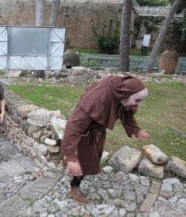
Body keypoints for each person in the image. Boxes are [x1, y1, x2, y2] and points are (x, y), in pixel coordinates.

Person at [60, 75, 151, 204]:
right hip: (84, 133)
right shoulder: (96, 100)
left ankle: (92, 166)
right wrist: (69, 157)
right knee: (84, 162)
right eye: (137, 100)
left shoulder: (120, 93)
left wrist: (136, 130)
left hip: (96, 131)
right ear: (126, 94)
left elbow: (125, 111)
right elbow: (73, 127)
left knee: (95, 154)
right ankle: (75, 186)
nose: (139, 104)